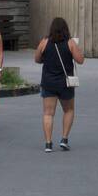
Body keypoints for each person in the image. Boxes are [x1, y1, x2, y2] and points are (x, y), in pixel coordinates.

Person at [34, 17, 84, 152]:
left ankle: (48, 143)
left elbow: (37, 59)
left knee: (48, 113)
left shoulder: (44, 42)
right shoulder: (70, 42)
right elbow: (80, 60)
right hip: (65, 83)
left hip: (48, 82)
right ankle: (64, 139)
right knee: (68, 110)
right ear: (65, 28)